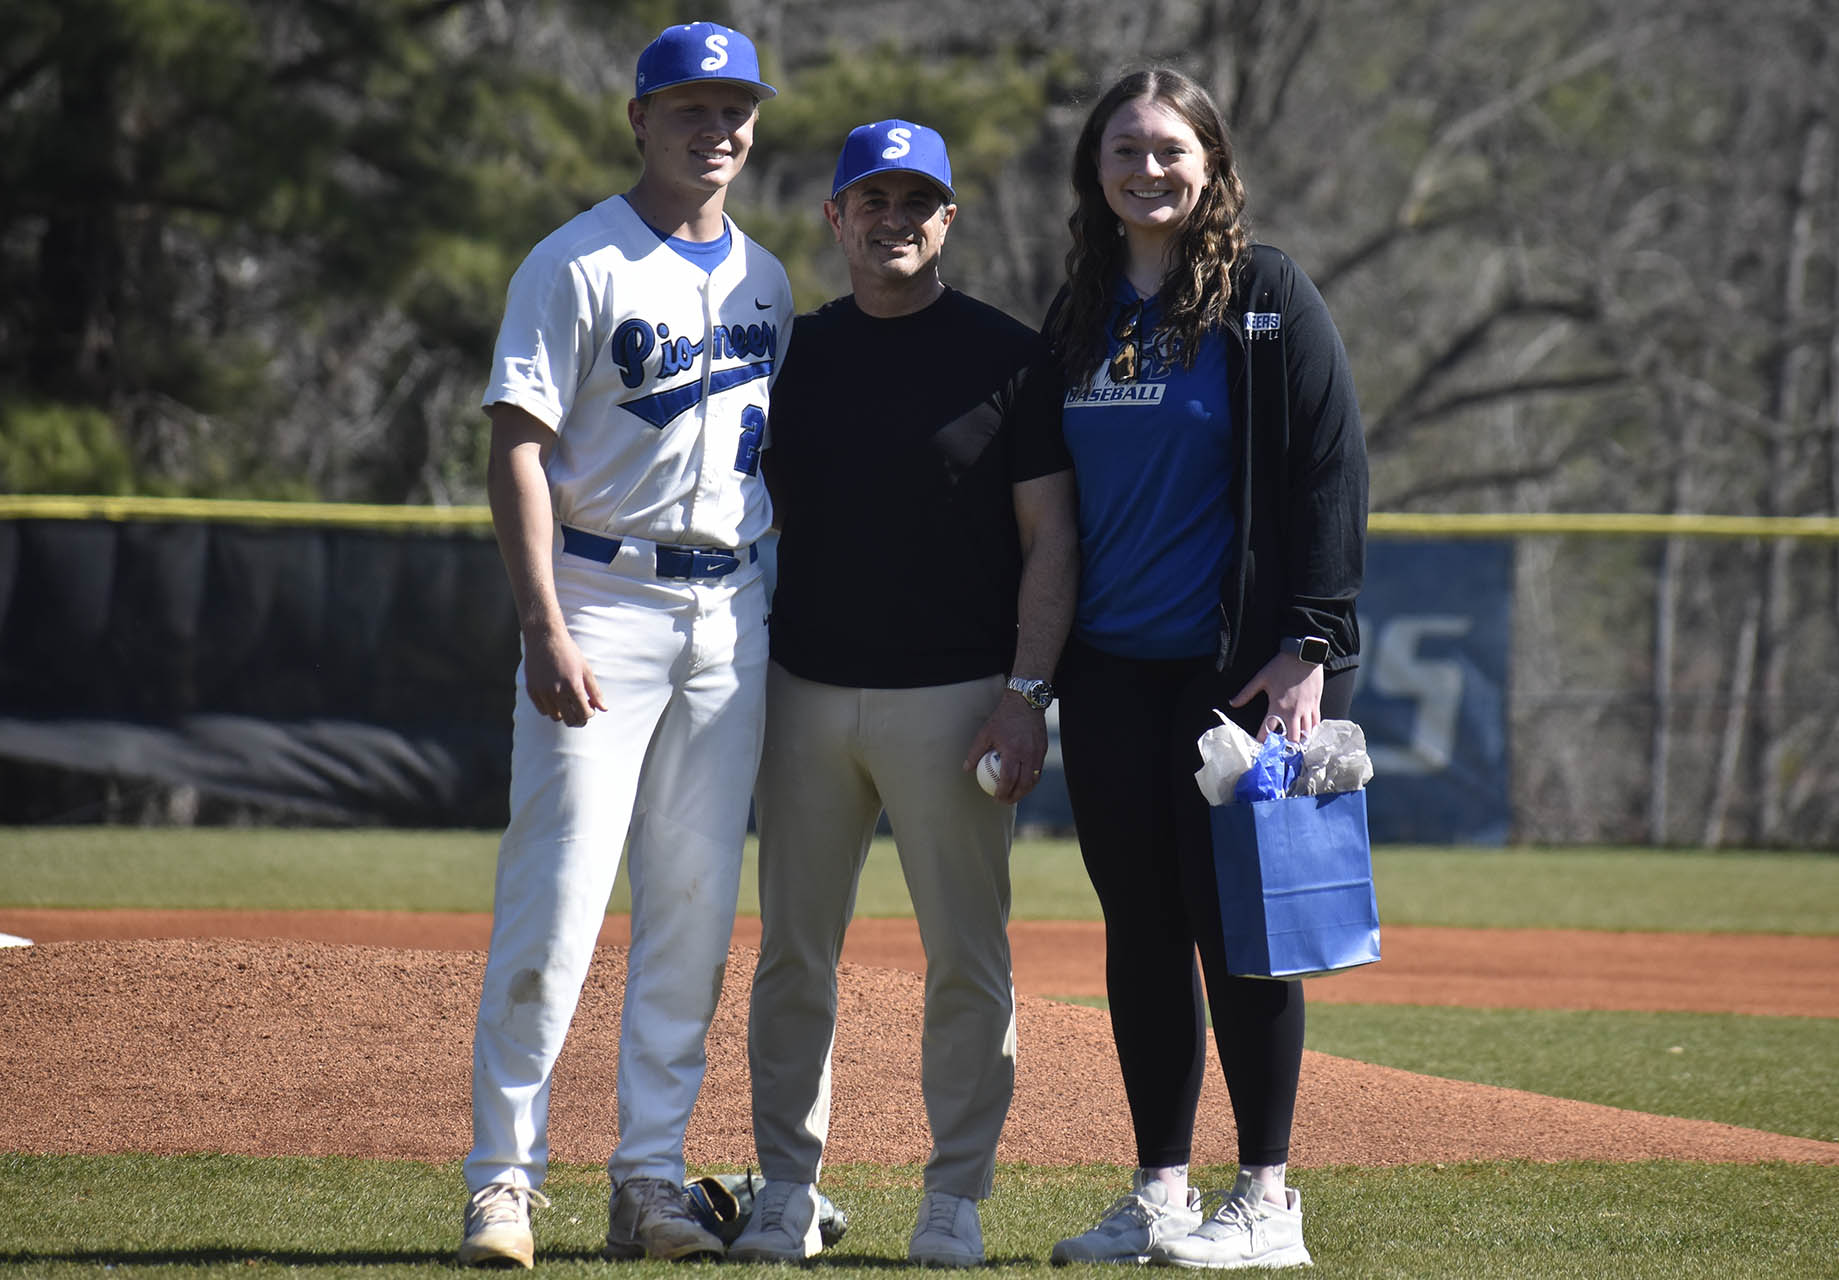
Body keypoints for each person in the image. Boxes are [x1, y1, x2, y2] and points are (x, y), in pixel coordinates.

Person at [457, 21, 794, 1270]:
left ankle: (649, 1178)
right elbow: (517, 443)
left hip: (732, 610)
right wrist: (543, 616)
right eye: (692, 107)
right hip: (600, 598)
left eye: (736, 109)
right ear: (640, 120)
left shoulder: (767, 280)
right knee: (556, 898)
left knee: (695, 913)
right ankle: (503, 1179)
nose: (718, 128)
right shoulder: (575, 259)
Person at [726, 119, 1077, 1268]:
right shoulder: (796, 351)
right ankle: (786, 1188)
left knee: (968, 956)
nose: (892, 220)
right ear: (834, 217)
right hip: (805, 695)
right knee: (792, 953)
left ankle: (955, 1197)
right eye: (869, 200)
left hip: (956, 697)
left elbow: (1050, 539)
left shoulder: (1006, 353)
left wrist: (1026, 692)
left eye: (915, 200)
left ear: (947, 221)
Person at [1042, 68, 1367, 1271]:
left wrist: (1308, 645)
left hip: (1233, 678)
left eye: (1170, 149)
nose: (1147, 168)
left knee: (1244, 931)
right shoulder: (1078, 309)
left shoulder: (1266, 292)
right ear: (1097, 172)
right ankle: (1160, 1194)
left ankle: (1269, 1199)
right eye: (1123, 149)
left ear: (1212, 162)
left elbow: (1331, 470)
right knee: (1140, 931)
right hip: (1110, 674)